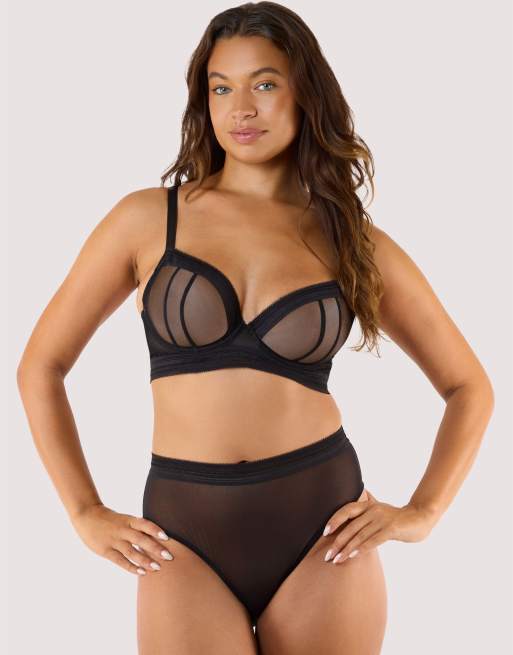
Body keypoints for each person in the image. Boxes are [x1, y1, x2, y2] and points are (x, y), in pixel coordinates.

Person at [16, 3, 495, 654]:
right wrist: (84, 510)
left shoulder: (351, 241)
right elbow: (41, 366)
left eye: (264, 84)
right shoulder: (146, 219)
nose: (241, 108)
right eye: (221, 88)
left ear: (306, 94)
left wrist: (423, 512)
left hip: (324, 529)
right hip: (181, 535)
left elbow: (468, 385)